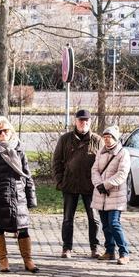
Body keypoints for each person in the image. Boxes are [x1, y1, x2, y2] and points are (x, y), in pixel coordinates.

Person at [0, 116, 39, 273]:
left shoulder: (19, 151)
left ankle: (28, 260)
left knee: (23, 229)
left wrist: (31, 196)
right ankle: (3, 260)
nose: (2, 134)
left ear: (11, 132)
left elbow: (27, 175)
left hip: (18, 196)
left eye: (5, 131)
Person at [53, 109, 102, 259]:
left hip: (90, 186)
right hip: (70, 184)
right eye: (81, 120)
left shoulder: (97, 140)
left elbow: (103, 163)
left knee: (93, 218)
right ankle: (67, 247)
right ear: (76, 121)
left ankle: (95, 247)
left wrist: (99, 182)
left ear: (90, 122)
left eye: (86, 120)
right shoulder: (65, 139)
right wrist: (60, 181)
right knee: (68, 218)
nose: (83, 123)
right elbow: (56, 162)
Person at [91, 125, 131, 265]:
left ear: (115, 138)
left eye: (110, 137)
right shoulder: (100, 152)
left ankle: (124, 252)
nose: (107, 140)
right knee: (105, 225)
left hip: (115, 194)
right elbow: (94, 170)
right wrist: (98, 184)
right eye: (105, 137)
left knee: (114, 224)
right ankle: (109, 251)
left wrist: (106, 184)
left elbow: (122, 174)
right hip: (101, 194)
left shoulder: (123, 153)